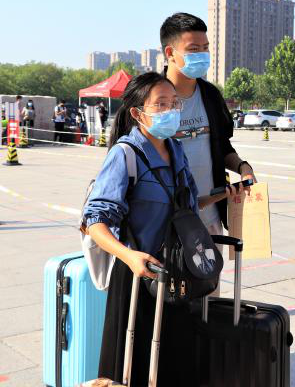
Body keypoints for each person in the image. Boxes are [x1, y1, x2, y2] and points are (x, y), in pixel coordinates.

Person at [82, 72, 237, 385]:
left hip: (177, 276)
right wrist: (129, 256)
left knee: (175, 365)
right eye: (161, 104)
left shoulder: (176, 149)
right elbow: (94, 222)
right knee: (136, 368)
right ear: (138, 113)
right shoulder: (125, 154)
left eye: (174, 103)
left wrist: (223, 194)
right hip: (140, 277)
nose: (171, 110)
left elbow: (186, 206)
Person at [160, 12, 256, 246]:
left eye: (205, 48)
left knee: (212, 271)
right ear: (170, 53)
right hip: (164, 225)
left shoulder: (211, 96)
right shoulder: (149, 99)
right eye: (193, 49)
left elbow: (222, 146)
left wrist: (243, 167)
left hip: (209, 220)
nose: (202, 55)